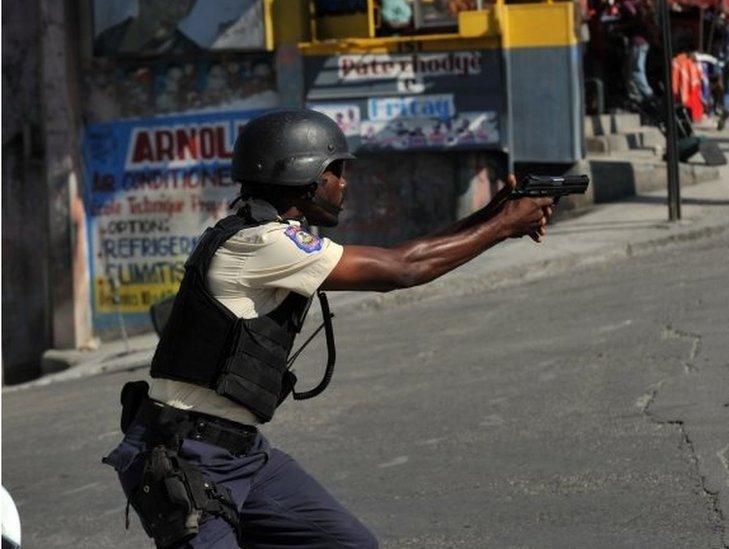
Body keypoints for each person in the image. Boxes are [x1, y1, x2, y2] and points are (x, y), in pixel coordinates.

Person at [101, 109, 554, 548]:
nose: (343, 183)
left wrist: (496, 215)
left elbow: (411, 255)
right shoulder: (263, 244)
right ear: (304, 176)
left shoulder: (256, 233)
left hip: (240, 452)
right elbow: (402, 268)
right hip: (188, 457)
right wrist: (502, 225)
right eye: (336, 171)